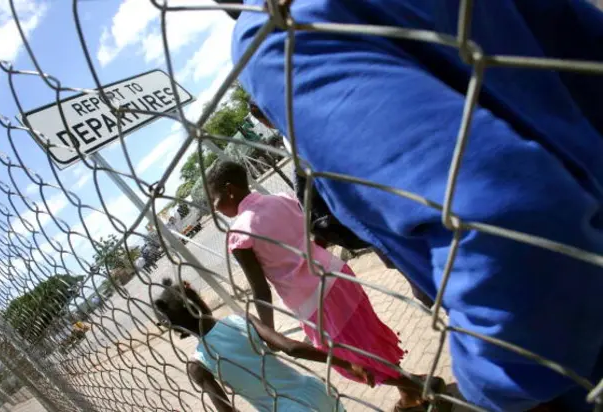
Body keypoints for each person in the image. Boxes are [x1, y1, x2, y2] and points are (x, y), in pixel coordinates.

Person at [225, 1, 603, 411]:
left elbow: (505, 227)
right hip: (340, 280)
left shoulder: (274, 32)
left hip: (571, 350)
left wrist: (490, 392)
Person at [206, 161, 448, 411]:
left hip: (313, 302)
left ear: (230, 190)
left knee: (347, 359)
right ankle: (410, 391)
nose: (216, 210)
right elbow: (316, 229)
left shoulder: (238, 234)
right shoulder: (281, 199)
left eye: (215, 201)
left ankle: (417, 386)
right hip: (338, 274)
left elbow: (260, 289)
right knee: (367, 340)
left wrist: (269, 333)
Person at [249, 101, 434, 309]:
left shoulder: (296, 131)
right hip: (369, 200)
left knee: (408, 258)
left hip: (365, 202)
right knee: (405, 256)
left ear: (266, 122)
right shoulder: (298, 125)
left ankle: (432, 292)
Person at [153, 277, 370, 412]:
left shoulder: (198, 365)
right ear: (200, 302)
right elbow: (290, 347)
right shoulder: (240, 319)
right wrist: (347, 363)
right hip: (313, 390)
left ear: (177, 329)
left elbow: (226, 410)